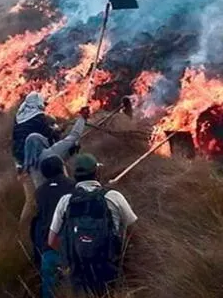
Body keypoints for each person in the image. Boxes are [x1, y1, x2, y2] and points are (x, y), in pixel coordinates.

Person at [48, 154, 138, 296]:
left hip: (78, 272)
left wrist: (72, 253)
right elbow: (134, 232)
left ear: (74, 175)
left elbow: (51, 241)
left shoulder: (66, 201)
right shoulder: (113, 196)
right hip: (110, 267)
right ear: (97, 172)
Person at [12, 92, 61, 223]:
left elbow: (15, 142)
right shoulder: (38, 118)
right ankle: (43, 224)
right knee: (39, 196)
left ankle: (21, 229)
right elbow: (49, 138)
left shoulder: (19, 117)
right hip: (34, 163)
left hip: (20, 163)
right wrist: (56, 131)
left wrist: (18, 166)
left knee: (30, 198)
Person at [30, 156, 75, 298]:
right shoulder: (73, 186)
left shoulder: (39, 192)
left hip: (48, 246)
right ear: (62, 168)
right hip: (70, 246)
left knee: (49, 286)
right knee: (72, 285)